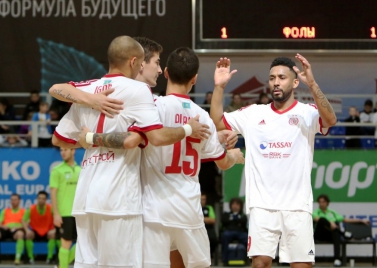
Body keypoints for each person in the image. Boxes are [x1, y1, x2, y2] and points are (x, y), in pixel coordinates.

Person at [76, 47, 244, 268]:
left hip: (153, 211)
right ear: (194, 79)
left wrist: (90, 137)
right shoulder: (202, 116)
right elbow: (222, 162)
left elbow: (129, 140)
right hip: (188, 210)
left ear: (165, 73)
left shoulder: (152, 107)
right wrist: (234, 155)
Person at [50, 36, 210, 268]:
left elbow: (58, 137)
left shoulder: (87, 90)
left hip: (86, 197)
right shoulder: (138, 90)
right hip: (119, 197)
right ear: (135, 62)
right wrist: (187, 128)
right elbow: (147, 138)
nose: (155, 67)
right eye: (152, 61)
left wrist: (89, 134)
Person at [210, 54, 337, 268]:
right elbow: (217, 121)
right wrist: (219, 87)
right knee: (260, 264)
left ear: (295, 82)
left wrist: (313, 84)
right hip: (262, 206)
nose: (276, 82)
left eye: (282, 77)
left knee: (301, 266)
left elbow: (330, 120)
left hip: (297, 206)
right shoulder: (253, 113)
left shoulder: (307, 113)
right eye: (271, 78)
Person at [313, 194, 370, 267]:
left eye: (323, 202)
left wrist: (361, 220)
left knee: (336, 233)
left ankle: (337, 260)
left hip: (330, 234)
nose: (321, 204)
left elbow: (345, 220)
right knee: (322, 220)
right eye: (320, 202)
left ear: (327, 203)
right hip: (319, 235)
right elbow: (317, 219)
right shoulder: (315, 212)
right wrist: (330, 222)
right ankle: (343, 233)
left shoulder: (332, 212)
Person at [50, 148, 80, 268]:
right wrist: (56, 213)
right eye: (61, 150)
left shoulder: (80, 170)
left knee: (82, 244)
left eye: (65, 150)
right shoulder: (57, 170)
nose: (63, 152)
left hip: (79, 213)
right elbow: (53, 193)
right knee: (66, 243)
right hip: (64, 213)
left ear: (73, 151)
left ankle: (60, 265)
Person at [22, 191, 56, 264]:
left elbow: (57, 218)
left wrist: (55, 230)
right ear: (37, 199)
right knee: (28, 235)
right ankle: (30, 258)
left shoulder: (51, 208)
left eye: (43, 198)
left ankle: (49, 258)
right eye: (39, 198)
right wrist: (27, 230)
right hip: (35, 230)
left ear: (46, 200)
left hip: (48, 230)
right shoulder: (31, 208)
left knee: (53, 235)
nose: (41, 200)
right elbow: (24, 220)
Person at [221, 197, 248, 265]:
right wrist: (236, 221)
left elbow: (243, 221)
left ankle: (246, 259)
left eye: (237, 204)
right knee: (225, 236)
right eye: (233, 204)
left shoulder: (243, 215)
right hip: (229, 232)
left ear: (240, 206)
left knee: (246, 238)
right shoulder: (226, 214)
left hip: (240, 232)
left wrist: (233, 220)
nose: (235, 206)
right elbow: (224, 221)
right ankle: (225, 259)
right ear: (230, 205)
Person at [0, 194, 25, 265]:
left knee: (20, 234)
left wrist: (17, 227)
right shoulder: (5, 211)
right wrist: (3, 226)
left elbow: (25, 225)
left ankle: (17, 258)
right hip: (5, 229)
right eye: (12, 200)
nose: (13, 201)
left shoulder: (23, 211)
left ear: (19, 201)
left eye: (15, 200)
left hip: (17, 230)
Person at [201, 192, 218, 258]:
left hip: (208, 228)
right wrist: (206, 219)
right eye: (201, 199)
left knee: (213, 239)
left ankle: (211, 254)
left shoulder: (209, 208)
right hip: (197, 228)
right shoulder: (194, 208)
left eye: (204, 199)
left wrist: (199, 218)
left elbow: (213, 220)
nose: (202, 201)